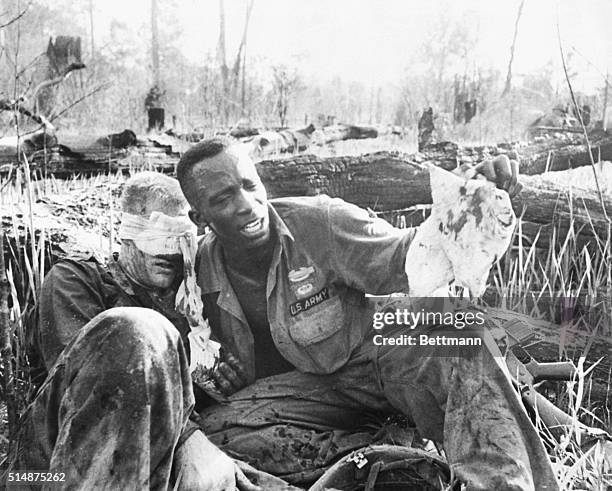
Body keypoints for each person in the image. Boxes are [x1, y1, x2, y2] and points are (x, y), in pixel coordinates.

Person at [176, 138, 560, 490]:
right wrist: (210, 378)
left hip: (378, 362)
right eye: (224, 198)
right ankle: (387, 455)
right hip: (301, 399)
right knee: (206, 441)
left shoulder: (317, 222)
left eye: (249, 185)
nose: (246, 204)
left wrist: (466, 201)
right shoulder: (192, 274)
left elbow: (408, 257)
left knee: (457, 332)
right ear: (199, 218)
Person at [11, 172, 270, 490]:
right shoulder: (76, 281)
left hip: (159, 454)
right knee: (138, 330)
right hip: (52, 468)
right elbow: (93, 388)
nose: (170, 253)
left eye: (181, 239)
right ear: (128, 234)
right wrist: (188, 429)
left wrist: (220, 379)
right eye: (158, 235)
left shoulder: (189, 296)